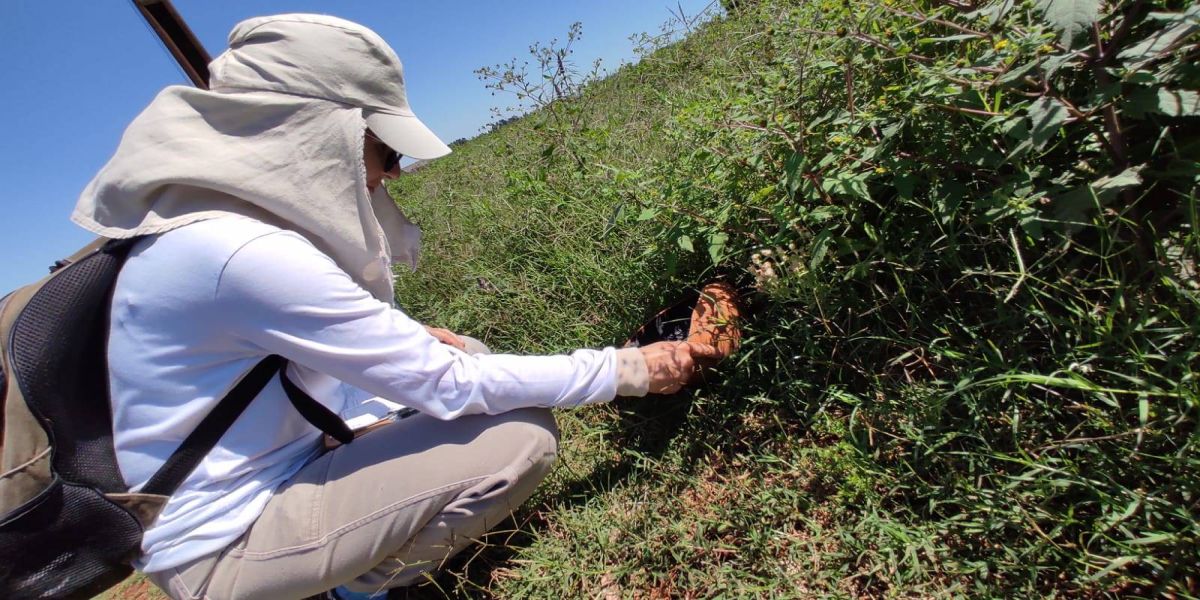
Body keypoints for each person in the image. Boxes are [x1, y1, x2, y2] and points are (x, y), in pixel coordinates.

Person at [70, 13, 716, 599]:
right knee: (516, 439)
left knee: (468, 356)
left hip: (265, 475)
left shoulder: (201, 232)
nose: (395, 171)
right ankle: (361, 591)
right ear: (321, 132)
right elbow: (449, 388)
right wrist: (630, 370)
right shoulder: (240, 251)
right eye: (386, 146)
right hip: (222, 547)